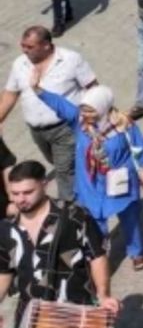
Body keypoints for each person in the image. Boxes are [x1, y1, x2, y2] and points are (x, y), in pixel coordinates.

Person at [34, 84, 143, 271]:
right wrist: (38, 90)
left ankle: (136, 252)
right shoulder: (80, 123)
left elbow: (137, 149)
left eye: (90, 110)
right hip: (91, 184)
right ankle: (99, 261)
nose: (85, 113)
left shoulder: (124, 125)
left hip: (120, 182)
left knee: (130, 218)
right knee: (94, 226)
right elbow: (62, 105)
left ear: (103, 107)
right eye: (83, 108)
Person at [0, 161, 120, 326]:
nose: (20, 199)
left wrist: (103, 294)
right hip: (32, 316)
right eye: (15, 193)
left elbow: (97, 255)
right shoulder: (6, 229)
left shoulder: (74, 216)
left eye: (28, 192)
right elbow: (4, 271)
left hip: (74, 309)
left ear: (44, 184)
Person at [0, 26, 99, 199]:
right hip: (37, 132)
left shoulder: (70, 60)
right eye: (23, 45)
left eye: (29, 47)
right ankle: (87, 177)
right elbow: (11, 93)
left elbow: (93, 88)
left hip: (66, 129)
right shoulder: (19, 64)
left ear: (46, 45)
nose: (24, 50)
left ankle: (69, 212)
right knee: (60, 163)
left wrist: (93, 118)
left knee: (64, 171)